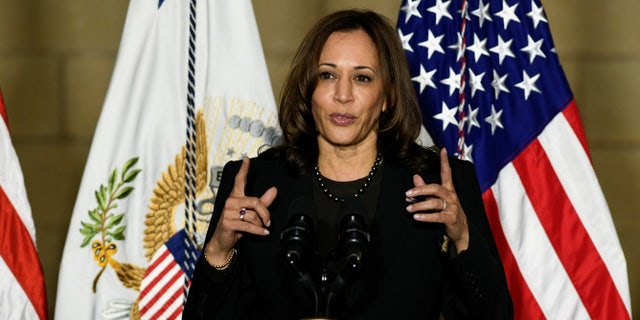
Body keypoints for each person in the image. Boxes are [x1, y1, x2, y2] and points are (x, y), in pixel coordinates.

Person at [183, 9, 513, 320]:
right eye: (327, 75)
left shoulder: (441, 185)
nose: (343, 94)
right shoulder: (254, 183)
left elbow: (495, 315)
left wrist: (462, 239)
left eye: (362, 78)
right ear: (308, 88)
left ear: (389, 97)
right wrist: (218, 252)